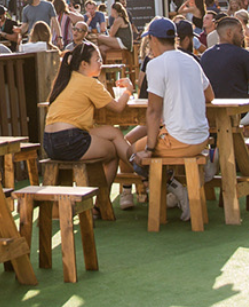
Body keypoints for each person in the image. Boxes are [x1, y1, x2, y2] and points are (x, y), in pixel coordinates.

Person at [125, 17, 212, 220]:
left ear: (153, 39)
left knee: (131, 153)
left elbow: (153, 111)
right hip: (202, 138)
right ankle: (178, 186)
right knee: (143, 144)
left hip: (180, 139)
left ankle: (177, 188)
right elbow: (210, 96)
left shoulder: (156, 65)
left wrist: (149, 149)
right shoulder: (192, 61)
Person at [41, 41, 133, 180]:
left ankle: (139, 168)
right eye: (98, 60)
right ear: (84, 64)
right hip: (70, 139)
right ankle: (139, 170)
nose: (101, 63)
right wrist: (129, 89)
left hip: (49, 142)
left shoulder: (63, 80)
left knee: (114, 132)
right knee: (112, 151)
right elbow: (118, 107)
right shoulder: (90, 83)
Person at [200, 14, 249, 125]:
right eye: (240, 32)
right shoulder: (244, 55)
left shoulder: (205, 56)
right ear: (229, 33)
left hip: (213, 114)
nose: (243, 36)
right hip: (240, 113)